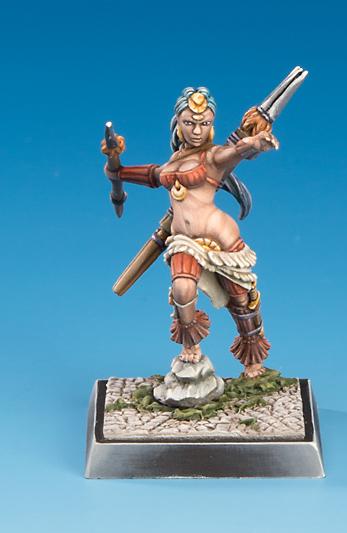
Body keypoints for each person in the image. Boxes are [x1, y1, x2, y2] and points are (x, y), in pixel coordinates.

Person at [102, 87, 279, 378]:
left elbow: (236, 151)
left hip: (220, 240)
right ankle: (191, 348)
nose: (197, 130)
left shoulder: (214, 156)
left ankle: (253, 362)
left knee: (240, 300)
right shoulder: (172, 163)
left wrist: (255, 143)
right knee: (182, 290)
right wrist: (116, 167)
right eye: (189, 123)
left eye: (204, 123)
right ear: (178, 123)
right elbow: (146, 175)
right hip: (183, 240)